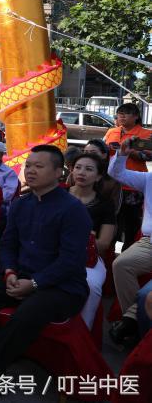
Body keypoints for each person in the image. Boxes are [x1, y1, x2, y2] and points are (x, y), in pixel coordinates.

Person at [0, 145, 90, 398]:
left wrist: (33, 284)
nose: (30, 171)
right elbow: (7, 244)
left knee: (26, 314)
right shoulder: (21, 203)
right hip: (20, 275)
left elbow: (70, 262)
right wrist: (9, 272)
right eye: (28, 165)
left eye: (38, 166)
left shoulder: (73, 210)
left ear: (58, 173)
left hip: (61, 287)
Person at [107, 136, 152, 345]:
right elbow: (116, 173)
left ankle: (130, 321)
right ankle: (135, 322)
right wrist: (123, 153)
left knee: (145, 295)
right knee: (121, 264)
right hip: (149, 242)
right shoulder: (149, 179)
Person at [69, 153, 116, 329]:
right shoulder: (58, 193)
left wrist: (74, 236)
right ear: (72, 170)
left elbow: (103, 244)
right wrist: (86, 235)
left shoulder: (105, 204)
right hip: (54, 253)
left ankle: (82, 335)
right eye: (78, 167)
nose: (82, 172)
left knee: (92, 285)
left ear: (98, 176)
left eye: (89, 169)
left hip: (88, 259)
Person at [104, 103, 151, 244]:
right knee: (111, 222)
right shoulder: (111, 131)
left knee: (131, 224)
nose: (122, 116)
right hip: (112, 184)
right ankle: (109, 255)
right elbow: (102, 151)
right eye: (120, 113)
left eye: (126, 113)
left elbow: (149, 156)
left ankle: (129, 252)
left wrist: (130, 153)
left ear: (136, 116)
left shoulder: (146, 134)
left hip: (133, 186)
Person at [81, 139, 122, 209]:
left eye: (93, 153)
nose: (88, 156)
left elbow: (114, 207)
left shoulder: (113, 179)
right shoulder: (75, 174)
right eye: (85, 152)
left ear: (104, 155)